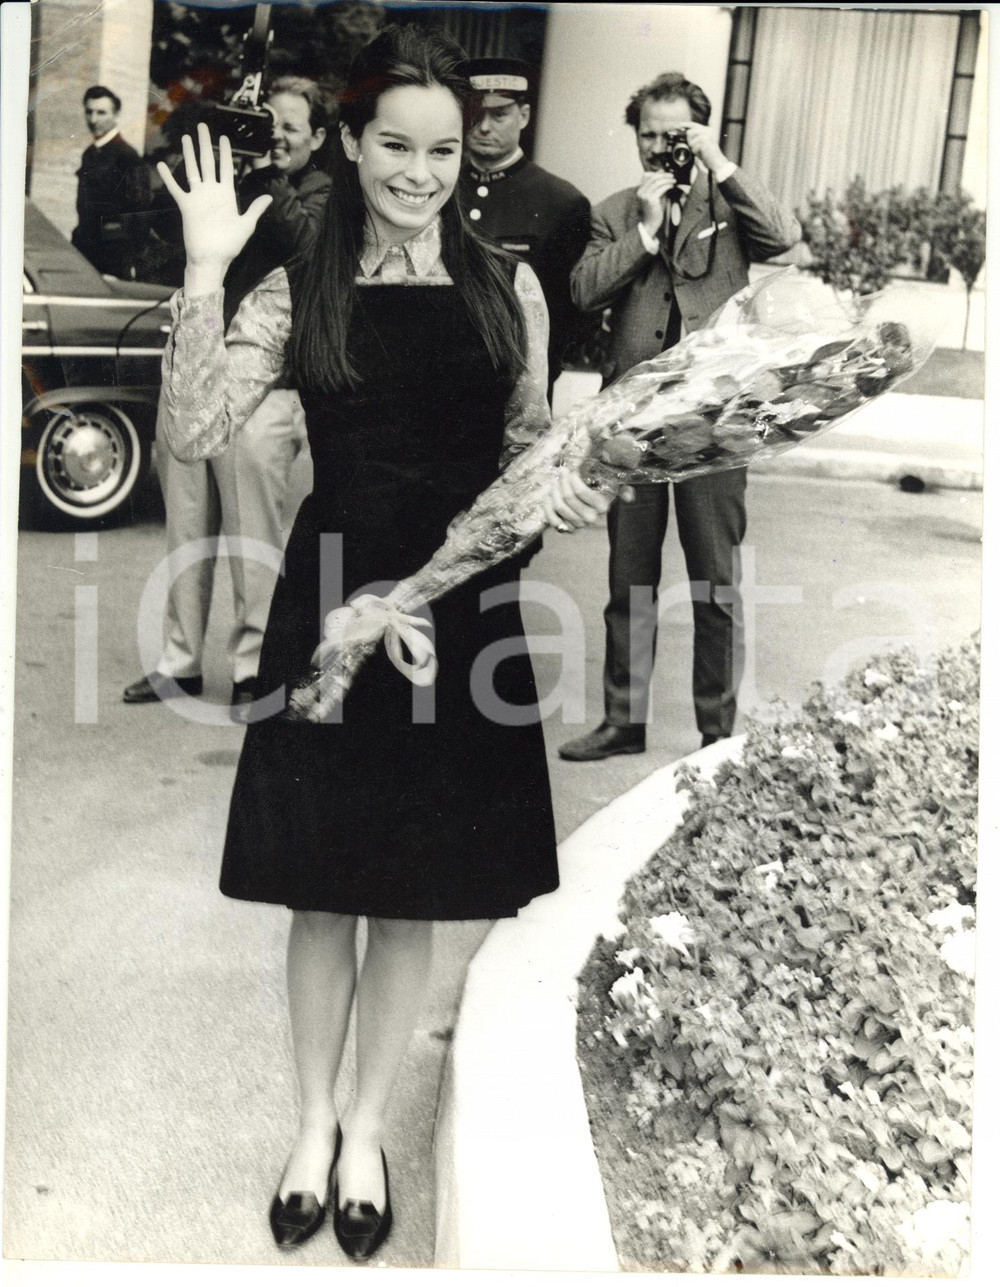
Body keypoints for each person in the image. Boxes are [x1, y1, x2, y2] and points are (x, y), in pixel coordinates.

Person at [153, 24, 612, 1260]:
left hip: (460, 609)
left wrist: (563, 479)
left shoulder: (503, 282)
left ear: (470, 156)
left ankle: (365, 1130)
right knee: (321, 891)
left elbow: (522, 447)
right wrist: (204, 271)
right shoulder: (296, 280)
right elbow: (196, 430)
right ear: (352, 147)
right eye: (394, 145)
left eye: (442, 149)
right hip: (335, 600)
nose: (419, 171)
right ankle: (311, 1128)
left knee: (407, 896)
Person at [559, 72, 801, 762]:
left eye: (676, 136)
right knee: (627, 576)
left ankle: (717, 734)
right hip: (634, 422)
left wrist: (720, 165)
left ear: (698, 135)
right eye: (649, 136)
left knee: (714, 580)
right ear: (634, 138)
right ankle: (623, 720)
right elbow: (582, 289)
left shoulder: (728, 205)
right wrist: (642, 228)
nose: (661, 148)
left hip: (714, 419)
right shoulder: (614, 209)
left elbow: (784, 236)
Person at [123, 78, 331, 719]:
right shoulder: (227, 178)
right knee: (184, 526)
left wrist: (269, 176)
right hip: (195, 372)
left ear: (319, 137)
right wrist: (208, 155)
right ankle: (179, 661)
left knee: (251, 529)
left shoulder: (322, 192)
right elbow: (157, 232)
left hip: (267, 388)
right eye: (265, 124)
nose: (278, 136)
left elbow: (309, 252)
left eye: (290, 127)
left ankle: (254, 666)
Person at [458, 57, 591, 400]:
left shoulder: (561, 202)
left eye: (499, 114)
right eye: (475, 114)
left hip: (514, 384)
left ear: (525, 115)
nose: (484, 127)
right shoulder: (441, 187)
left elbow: (566, 317)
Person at [72, 85, 150, 278]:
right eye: (89, 112)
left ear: (116, 115)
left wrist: (124, 261)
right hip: (84, 251)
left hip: (111, 259)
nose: (93, 119)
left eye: (101, 112)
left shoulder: (127, 156)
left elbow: (139, 211)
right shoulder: (89, 154)